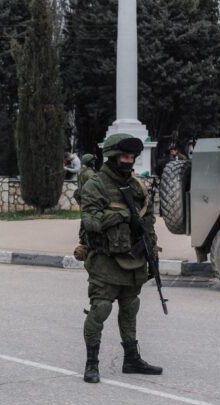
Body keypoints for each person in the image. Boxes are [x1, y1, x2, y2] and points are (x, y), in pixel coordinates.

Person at [79, 133, 163, 384]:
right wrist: (123, 215)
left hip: (134, 259)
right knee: (101, 309)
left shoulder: (137, 186)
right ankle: (91, 364)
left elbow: (148, 224)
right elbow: (91, 221)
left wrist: (153, 254)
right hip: (106, 260)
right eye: (125, 156)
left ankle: (131, 359)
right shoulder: (96, 185)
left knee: (130, 308)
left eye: (132, 157)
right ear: (114, 157)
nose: (129, 161)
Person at [73, 154, 97, 260]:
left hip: (83, 200)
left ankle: (83, 239)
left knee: (84, 220)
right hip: (90, 200)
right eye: (93, 161)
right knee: (89, 221)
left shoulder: (80, 171)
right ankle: (87, 242)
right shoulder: (90, 173)